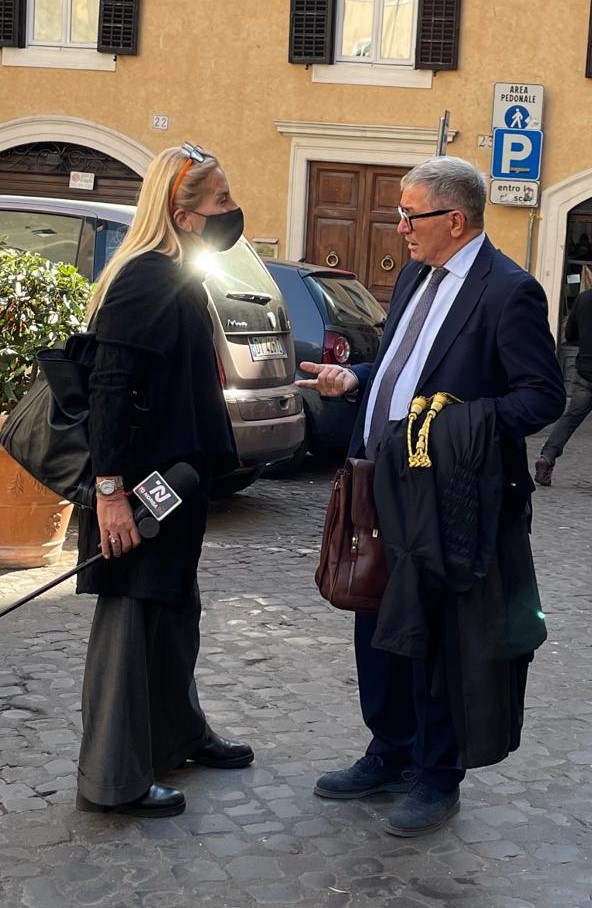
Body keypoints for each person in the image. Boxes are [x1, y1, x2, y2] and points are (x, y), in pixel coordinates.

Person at [297, 156, 566, 837]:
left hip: (451, 496)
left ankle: (436, 772)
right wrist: (357, 378)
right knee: (376, 615)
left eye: (409, 214)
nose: (400, 228)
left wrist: (450, 426)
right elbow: (405, 363)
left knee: (440, 632)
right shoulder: (416, 274)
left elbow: (542, 396)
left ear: (455, 219)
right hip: (379, 480)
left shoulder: (509, 291)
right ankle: (388, 750)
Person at [75, 142, 254, 819]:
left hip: (174, 484)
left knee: (176, 610)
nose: (232, 209)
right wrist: (110, 495)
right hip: (137, 490)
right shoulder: (144, 279)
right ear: (183, 215)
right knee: (129, 621)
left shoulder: (175, 274)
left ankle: (178, 735)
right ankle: (112, 780)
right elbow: (109, 391)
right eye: (220, 200)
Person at [535, 286, 592, 485]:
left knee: (571, 418)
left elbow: (570, 333)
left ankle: (547, 457)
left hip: (585, 371)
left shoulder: (583, 299)